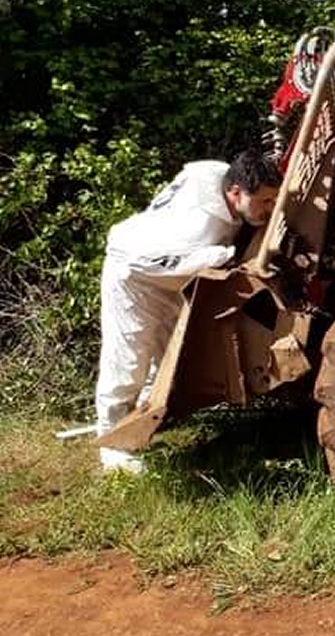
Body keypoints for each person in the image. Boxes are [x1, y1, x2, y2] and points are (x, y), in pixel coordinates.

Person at [94, 150, 281, 472]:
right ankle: (112, 447)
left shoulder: (218, 176)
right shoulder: (196, 225)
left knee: (167, 359)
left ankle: (140, 430)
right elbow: (151, 259)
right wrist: (218, 256)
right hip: (136, 276)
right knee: (128, 358)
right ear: (235, 193)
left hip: (173, 281)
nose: (268, 209)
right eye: (264, 202)